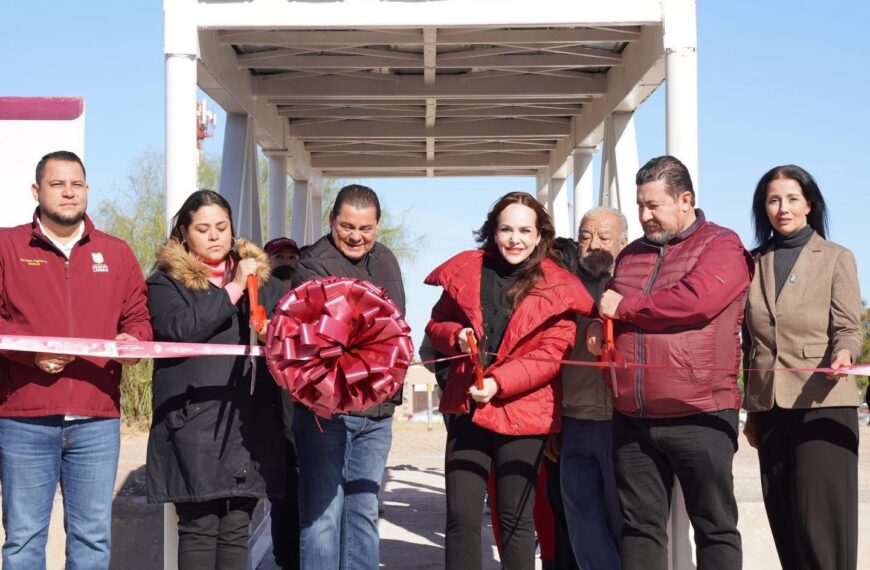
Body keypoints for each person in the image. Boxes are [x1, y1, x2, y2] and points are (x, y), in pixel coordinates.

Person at [588, 155, 753, 569]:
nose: (644, 216)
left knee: (714, 527)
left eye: (653, 206)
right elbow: (609, 304)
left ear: (685, 200)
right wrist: (595, 326)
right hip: (632, 417)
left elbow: (696, 302)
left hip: (701, 412)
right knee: (639, 529)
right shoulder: (631, 255)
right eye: (640, 205)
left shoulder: (722, 245)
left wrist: (625, 308)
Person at [0, 150, 152, 569]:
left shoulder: (116, 252)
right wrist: (30, 354)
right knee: (23, 541)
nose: (69, 192)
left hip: (96, 420)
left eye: (77, 184)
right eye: (57, 184)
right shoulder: (7, 247)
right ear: (36, 191)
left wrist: (134, 342)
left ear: (87, 190)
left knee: (92, 540)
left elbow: (138, 318)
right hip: (24, 419)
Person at [425, 191, 593, 570]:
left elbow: (551, 355)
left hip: (524, 412)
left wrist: (499, 384)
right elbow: (435, 324)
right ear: (493, 231)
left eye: (524, 231)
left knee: (515, 519)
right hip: (468, 407)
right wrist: (455, 336)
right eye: (506, 229)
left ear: (539, 235)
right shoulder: (466, 270)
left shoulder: (559, 286)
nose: (514, 239)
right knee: (461, 516)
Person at [145, 190, 287, 570]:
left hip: (248, 423)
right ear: (183, 232)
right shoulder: (165, 283)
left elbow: (288, 332)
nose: (214, 236)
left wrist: (273, 329)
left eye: (222, 227)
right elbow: (180, 328)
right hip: (192, 423)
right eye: (203, 228)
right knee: (200, 527)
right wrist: (233, 289)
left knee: (237, 527)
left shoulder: (262, 281)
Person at [742, 165, 862, 570]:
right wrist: (751, 410)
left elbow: (848, 328)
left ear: (809, 204)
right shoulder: (752, 262)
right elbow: (748, 341)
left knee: (821, 526)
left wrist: (844, 354)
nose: (783, 208)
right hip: (770, 408)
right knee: (785, 519)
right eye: (774, 200)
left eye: (792, 199)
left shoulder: (836, 258)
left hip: (823, 403)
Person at [291, 184, 405, 570]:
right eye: (347, 226)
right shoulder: (311, 264)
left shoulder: (386, 260)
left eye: (365, 228)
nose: (356, 236)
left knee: (364, 512)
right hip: (326, 414)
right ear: (331, 221)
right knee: (323, 518)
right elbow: (324, 338)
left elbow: (395, 329)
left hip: (377, 414)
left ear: (377, 226)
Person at [547, 207, 628, 570]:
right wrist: (552, 423)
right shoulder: (559, 288)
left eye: (604, 238)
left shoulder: (635, 284)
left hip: (623, 422)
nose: (593, 245)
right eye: (585, 236)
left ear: (623, 243)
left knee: (624, 521)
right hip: (574, 421)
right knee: (582, 524)